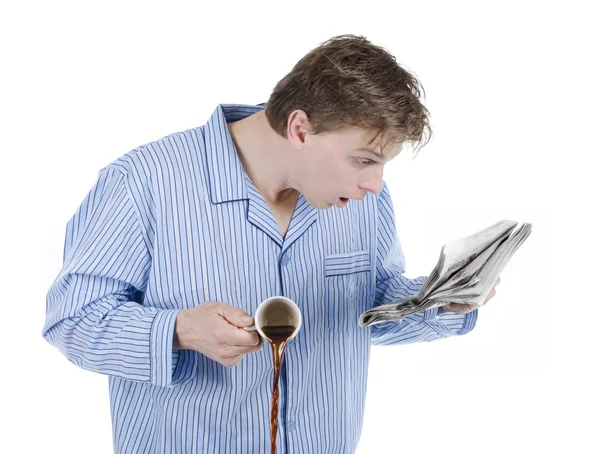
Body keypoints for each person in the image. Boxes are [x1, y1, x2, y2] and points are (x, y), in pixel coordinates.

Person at [43, 34, 498, 453]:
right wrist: (179, 330)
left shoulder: (361, 200)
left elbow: (368, 314)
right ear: (300, 129)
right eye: (364, 160)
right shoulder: (142, 182)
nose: (375, 184)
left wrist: (439, 303)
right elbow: (71, 320)